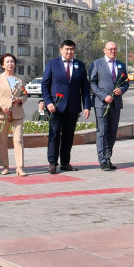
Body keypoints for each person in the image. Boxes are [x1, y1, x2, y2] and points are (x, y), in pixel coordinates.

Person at [43, 40, 91, 173]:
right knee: (54, 135)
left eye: (72, 49)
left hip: (73, 107)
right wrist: (48, 102)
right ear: (61, 50)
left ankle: (65, 162)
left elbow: (85, 88)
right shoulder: (52, 64)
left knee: (68, 136)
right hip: (56, 107)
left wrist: (87, 106)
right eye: (67, 49)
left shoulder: (80, 65)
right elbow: (45, 85)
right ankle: (52, 163)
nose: (69, 52)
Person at [89, 41, 129, 171]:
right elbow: (92, 83)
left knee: (112, 132)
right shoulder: (96, 64)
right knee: (102, 131)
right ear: (104, 50)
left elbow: (126, 83)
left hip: (116, 103)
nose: (113, 51)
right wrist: (103, 96)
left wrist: (121, 90)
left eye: (115, 49)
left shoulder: (121, 65)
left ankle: (108, 157)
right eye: (110, 49)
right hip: (101, 104)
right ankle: (103, 160)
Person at [0, 53, 27, 176]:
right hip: (3, 114)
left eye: (12, 62)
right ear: (2, 65)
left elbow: (25, 94)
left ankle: (19, 167)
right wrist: (1, 107)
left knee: (18, 140)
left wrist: (20, 100)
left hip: (17, 113)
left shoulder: (20, 78)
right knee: (3, 141)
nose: (10, 64)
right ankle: (5, 166)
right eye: (7, 62)